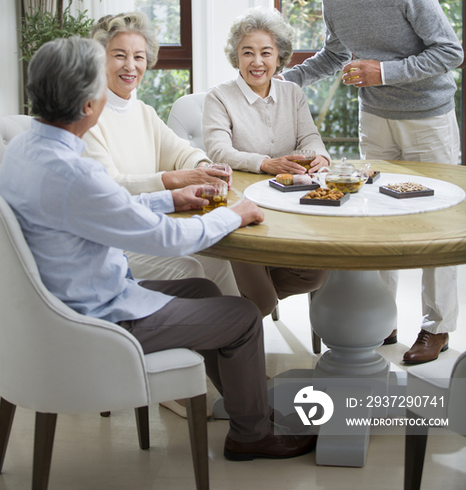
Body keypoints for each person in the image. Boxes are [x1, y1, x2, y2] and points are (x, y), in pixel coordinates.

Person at [0, 36, 317, 461]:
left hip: (51, 309)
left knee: (206, 292)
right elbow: (166, 239)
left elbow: (98, 208)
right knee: (241, 315)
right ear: (88, 105)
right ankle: (251, 434)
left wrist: (170, 199)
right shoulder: (78, 173)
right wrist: (236, 214)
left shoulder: (20, 150)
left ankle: (249, 411)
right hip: (99, 319)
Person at [282, 0, 464, 364]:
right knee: (376, 216)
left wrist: (383, 72)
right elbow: (333, 54)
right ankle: (381, 319)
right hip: (375, 119)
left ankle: (437, 328)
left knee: (434, 223)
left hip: (428, 117)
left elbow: (449, 51)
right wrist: (289, 80)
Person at [82, 12, 239, 300]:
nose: (131, 66)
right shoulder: (88, 116)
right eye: (119, 55)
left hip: (149, 226)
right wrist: (171, 179)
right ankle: (214, 334)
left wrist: (205, 166)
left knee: (218, 260)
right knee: (189, 268)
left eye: (139, 57)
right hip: (113, 241)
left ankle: (228, 336)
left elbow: (180, 152)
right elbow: (110, 186)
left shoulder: (143, 111)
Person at [202, 6, 329, 316]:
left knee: (316, 272)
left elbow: (309, 138)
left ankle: (236, 308)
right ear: (236, 57)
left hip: (291, 204)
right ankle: (244, 315)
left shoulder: (293, 93)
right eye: (247, 53)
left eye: (266, 53)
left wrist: (320, 155)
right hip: (239, 207)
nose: (257, 62)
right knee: (262, 301)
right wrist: (265, 163)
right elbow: (218, 151)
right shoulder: (219, 97)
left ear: (279, 57)